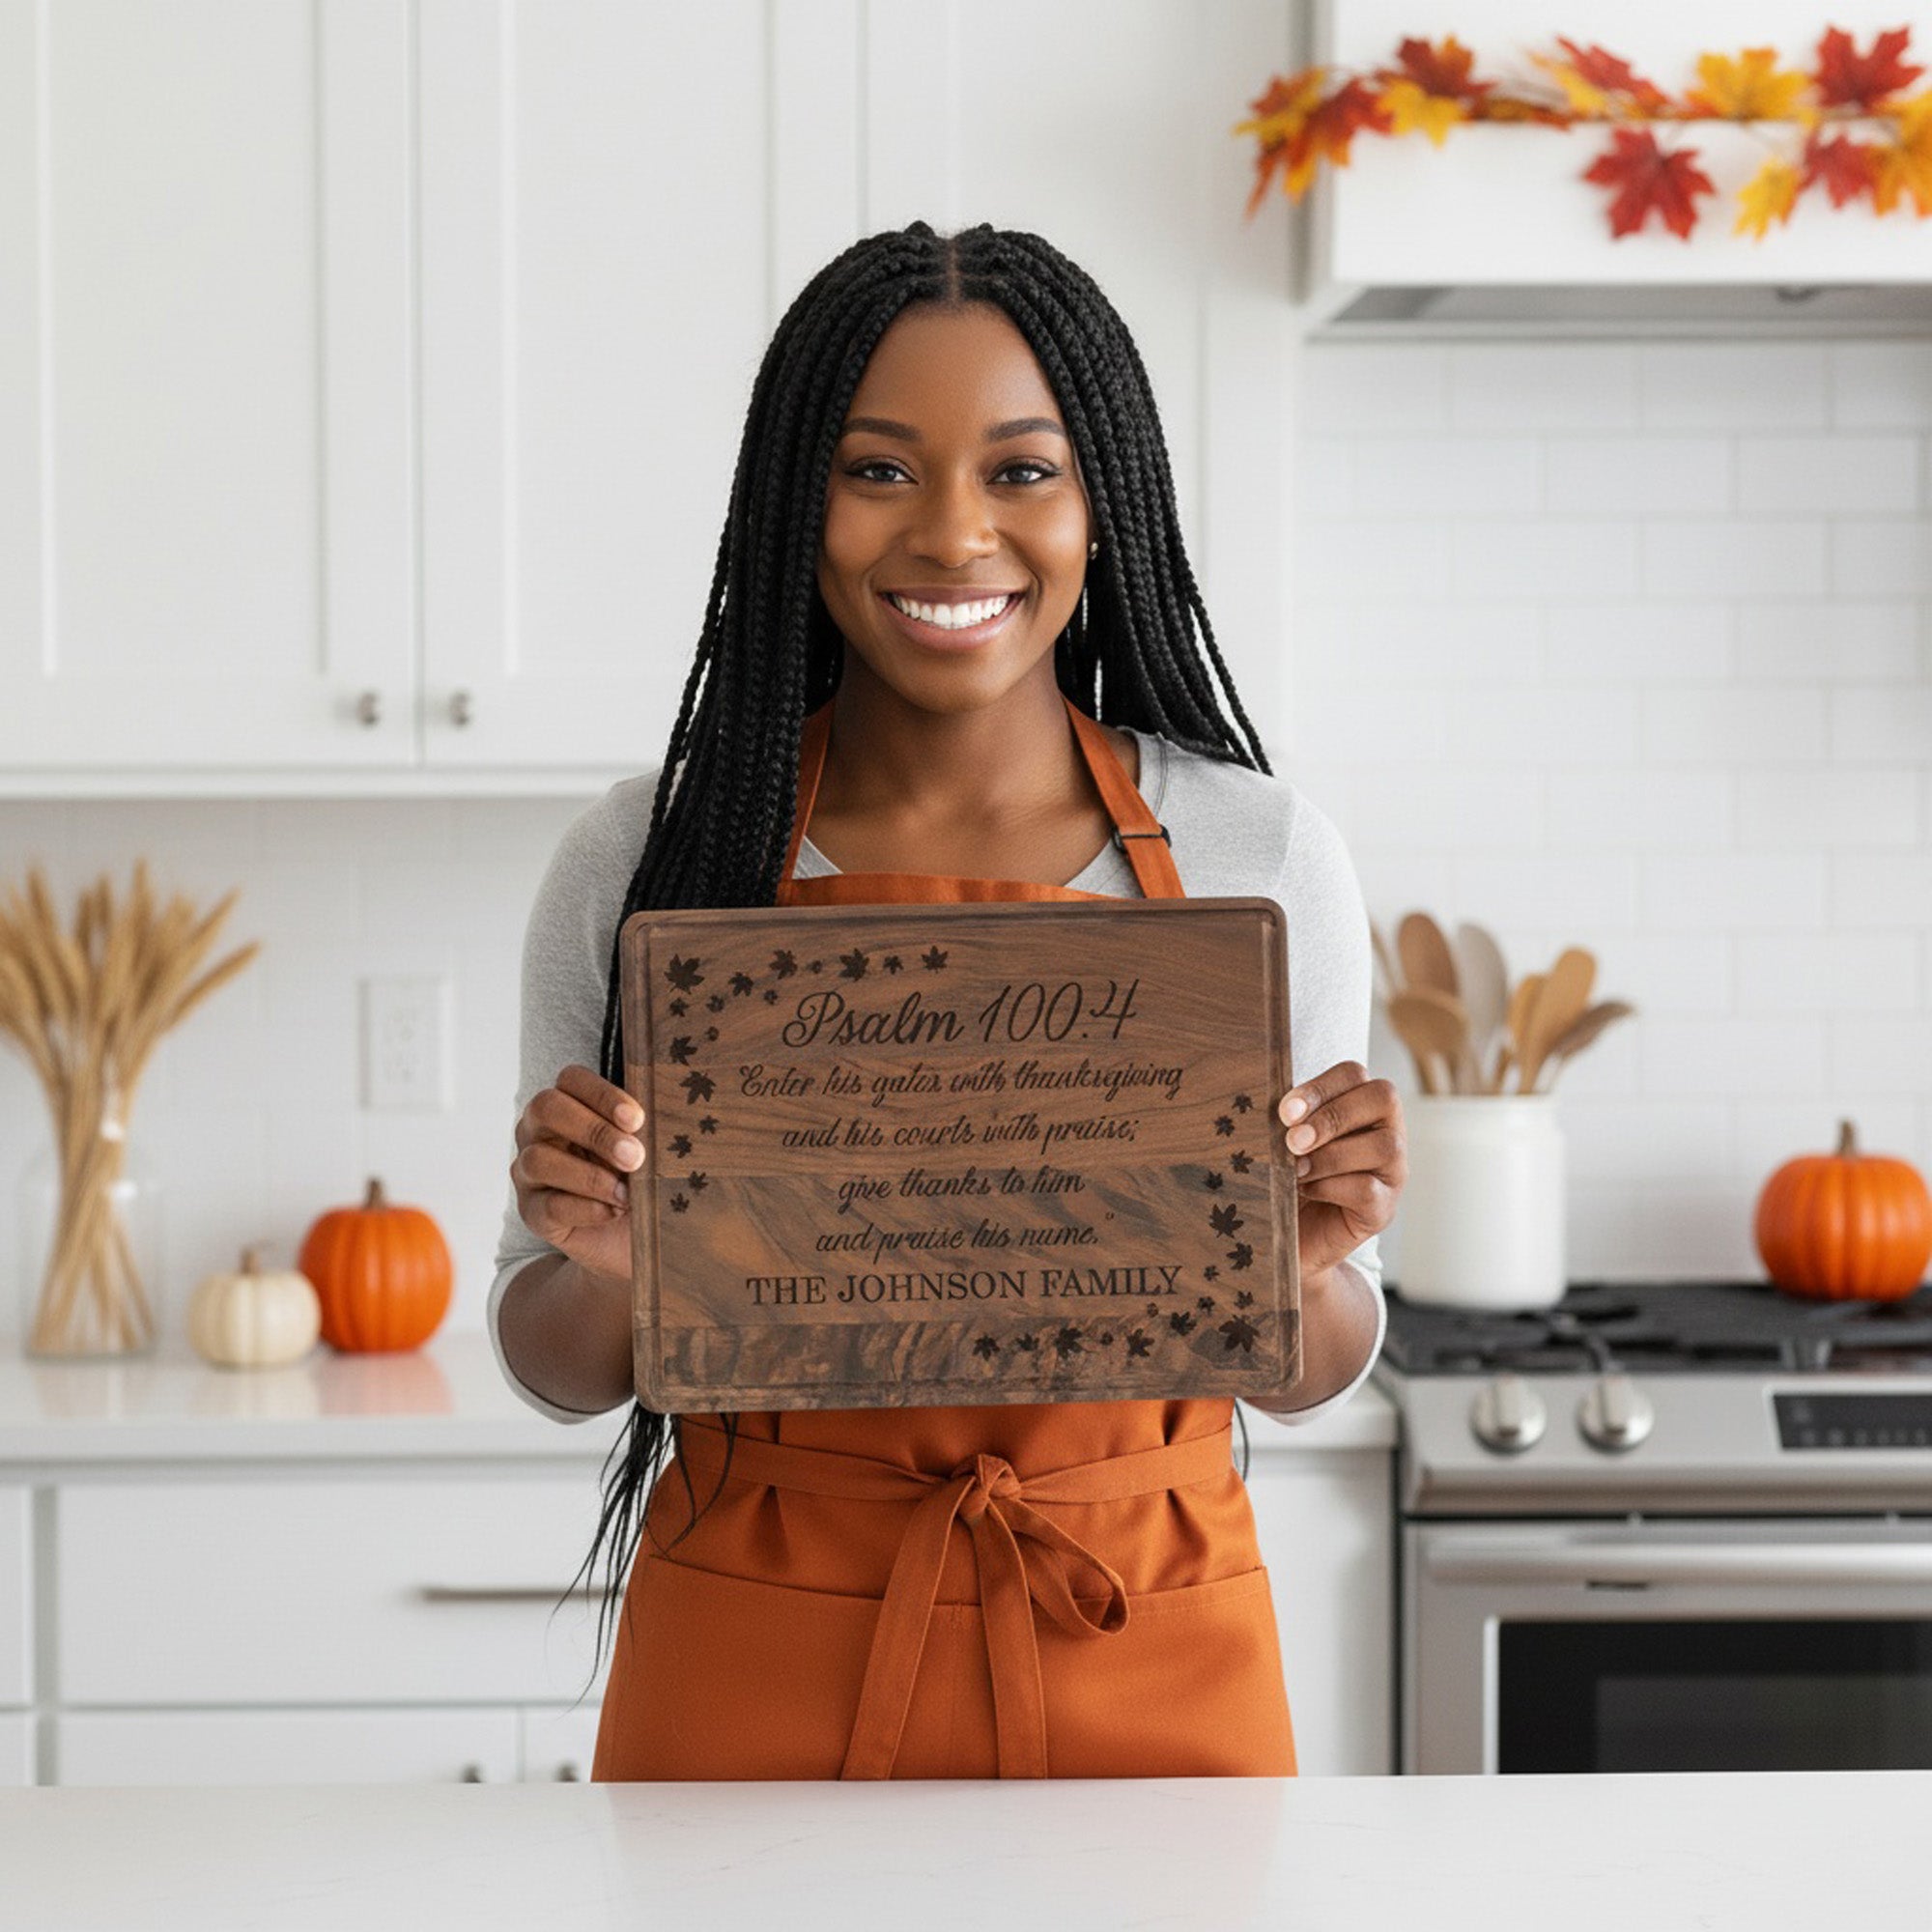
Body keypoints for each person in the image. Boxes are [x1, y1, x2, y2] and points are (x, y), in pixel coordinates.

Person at [490, 221, 1406, 1781]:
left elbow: (1315, 1372)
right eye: (880, 469)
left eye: (1022, 471)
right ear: (800, 508)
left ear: (1102, 503)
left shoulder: (1259, 852)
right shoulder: (651, 856)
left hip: (1147, 1640)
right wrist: (614, 1268)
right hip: (750, 1659)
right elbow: (551, 1359)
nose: (955, 533)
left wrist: (1306, 1265)